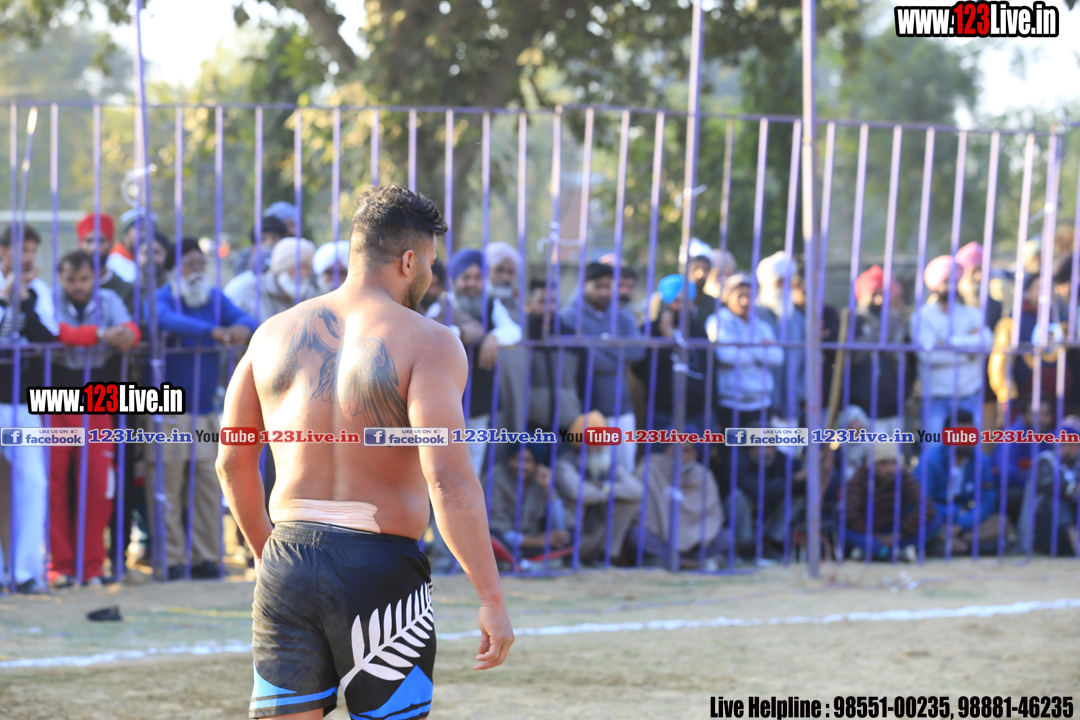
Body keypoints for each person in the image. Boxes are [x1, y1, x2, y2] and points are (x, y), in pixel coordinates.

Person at [216, 185, 512, 719]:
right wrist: (491, 598)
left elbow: (232, 461)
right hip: (378, 570)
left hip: (288, 558)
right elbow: (447, 479)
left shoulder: (271, 333)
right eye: (430, 265)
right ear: (408, 261)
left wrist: (266, 554)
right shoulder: (430, 340)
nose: (430, 277)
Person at [152, 238, 258, 580]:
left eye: (201, 263)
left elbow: (246, 320)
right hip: (168, 409)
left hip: (206, 409)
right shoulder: (164, 297)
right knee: (168, 485)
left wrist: (238, 328)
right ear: (174, 269)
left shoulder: (213, 298)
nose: (196, 270)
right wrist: (212, 332)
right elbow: (165, 320)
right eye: (189, 264)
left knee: (208, 486)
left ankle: (205, 557)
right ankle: (169, 559)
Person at [49, 250, 141, 587]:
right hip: (56, 397)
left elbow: (131, 329)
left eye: (84, 279)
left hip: (98, 397)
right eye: (71, 279)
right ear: (61, 278)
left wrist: (127, 334)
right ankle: (61, 565)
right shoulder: (49, 298)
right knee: (55, 485)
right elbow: (54, 331)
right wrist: (100, 334)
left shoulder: (110, 298)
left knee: (99, 485)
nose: (78, 285)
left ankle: (92, 566)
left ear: (94, 277)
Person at [0, 224, 58, 594]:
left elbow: (47, 335)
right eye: (22, 250)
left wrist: (24, 298)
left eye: (33, 252)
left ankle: (24, 572)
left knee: (34, 482)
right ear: (3, 251)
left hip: (24, 402)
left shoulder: (39, 290)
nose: (27, 258)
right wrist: (6, 298)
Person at [560, 262, 645, 477]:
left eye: (608, 287)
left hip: (621, 406)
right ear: (584, 285)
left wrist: (599, 346)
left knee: (625, 471)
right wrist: (615, 349)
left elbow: (638, 351)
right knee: (591, 474)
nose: (604, 292)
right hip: (586, 409)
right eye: (598, 286)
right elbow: (585, 360)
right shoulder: (570, 316)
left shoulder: (622, 314)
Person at [449, 248, 522, 476]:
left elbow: (514, 331)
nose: (472, 283)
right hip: (445, 399)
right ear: (454, 280)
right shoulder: (445, 304)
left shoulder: (491, 305)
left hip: (478, 401)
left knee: (473, 464)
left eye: (478, 277)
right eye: (466, 277)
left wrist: (494, 336)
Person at [910, 255, 992, 434]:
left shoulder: (972, 314)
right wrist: (969, 353)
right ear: (934, 284)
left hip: (969, 396)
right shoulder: (922, 317)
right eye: (946, 281)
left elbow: (986, 343)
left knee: (969, 448)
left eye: (955, 281)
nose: (952, 286)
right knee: (934, 449)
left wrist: (950, 342)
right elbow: (929, 356)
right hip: (936, 397)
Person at [554, 411, 643, 565]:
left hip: (598, 531)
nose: (598, 444)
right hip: (573, 535)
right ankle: (571, 557)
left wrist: (605, 487)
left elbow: (637, 490)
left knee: (629, 503)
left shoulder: (607, 462)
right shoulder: (565, 463)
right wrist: (612, 494)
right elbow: (579, 493)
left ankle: (604, 557)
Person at [707, 273, 784, 430]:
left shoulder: (761, 325)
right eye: (740, 296)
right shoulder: (717, 321)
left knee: (758, 445)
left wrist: (742, 346)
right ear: (727, 296)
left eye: (749, 296)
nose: (745, 301)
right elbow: (726, 355)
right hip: (730, 403)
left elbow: (777, 357)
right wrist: (760, 346)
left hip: (762, 403)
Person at [632, 274, 707, 431]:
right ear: (665, 303)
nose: (682, 307)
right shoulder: (649, 330)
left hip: (698, 412)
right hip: (662, 411)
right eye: (676, 301)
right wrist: (666, 342)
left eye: (687, 302)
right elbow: (641, 371)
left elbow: (709, 369)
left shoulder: (699, 330)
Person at [637, 433, 724, 567]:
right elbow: (642, 512)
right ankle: (693, 563)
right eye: (675, 448)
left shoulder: (704, 475)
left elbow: (712, 515)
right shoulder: (650, 469)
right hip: (660, 536)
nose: (679, 454)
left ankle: (673, 561)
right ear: (666, 448)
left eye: (685, 450)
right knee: (636, 536)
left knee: (726, 537)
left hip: (696, 539)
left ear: (694, 453)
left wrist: (690, 534)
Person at [922, 410, 1001, 555]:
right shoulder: (930, 461)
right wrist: (956, 512)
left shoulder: (982, 461)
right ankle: (963, 544)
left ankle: (954, 543)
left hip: (968, 521)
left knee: (1000, 523)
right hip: (938, 519)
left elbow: (988, 501)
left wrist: (961, 525)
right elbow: (922, 502)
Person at [845, 443, 940, 562]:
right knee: (839, 522)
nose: (890, 469)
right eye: (883, 463)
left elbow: (926, 506)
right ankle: (892, 551)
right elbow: (849, 513)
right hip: (869, 532)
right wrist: (874, 535)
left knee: (935, 520)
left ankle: (878, 551)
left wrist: (899, 535)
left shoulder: (903, 476)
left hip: (897, 530)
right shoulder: (860, 478)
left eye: (894, 463)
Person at [850, 265, 911, 436]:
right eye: (874, 294)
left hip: (892, 404)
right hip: (860, 407)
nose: (879, 300)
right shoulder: (854, 322)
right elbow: (851, 356)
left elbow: (906, 361)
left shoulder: (896, 323)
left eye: (883, 294)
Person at [488, 443, 570, 555]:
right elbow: (499, 529)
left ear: (537, 463)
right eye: (516, 459)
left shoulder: (539, 479)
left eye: (528, 460)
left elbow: (559, 528)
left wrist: (548, 489)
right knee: (495, 536)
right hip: (507, 544)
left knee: (569, 536)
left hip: (535, 543)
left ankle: (524, 561)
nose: (521, 465)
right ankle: (521, 560)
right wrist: (538, 541)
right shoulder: (496, 479)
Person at [755, 252, 805, 427]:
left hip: (792, 404)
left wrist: (801, 393)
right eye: (780, 281)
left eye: (788, 281)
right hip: (761, 403)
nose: (784, 287)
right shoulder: (755, 315)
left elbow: (805, 359)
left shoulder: (797, 318)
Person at [524, 279, 581, 433]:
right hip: (531, 423)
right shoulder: (523, 335)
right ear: (530, 303)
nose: (549, 308)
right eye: (542, 302)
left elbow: (583, 379)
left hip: (569, 421)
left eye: (553, 301)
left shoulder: (570, 336)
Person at [1033, 418, 1080, 556]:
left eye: (1073, 445)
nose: (1068, 449)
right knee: (1054, 498)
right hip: (1050, 531)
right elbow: (1049, 486)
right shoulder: (1045, 459)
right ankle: (1074, 541)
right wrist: (1074, 489)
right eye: (1063, 444)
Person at [111, 207, 158, 283]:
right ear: (126, 234)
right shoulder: (111, 262)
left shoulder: (155, 260)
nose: (146, 234)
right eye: (141, 229)